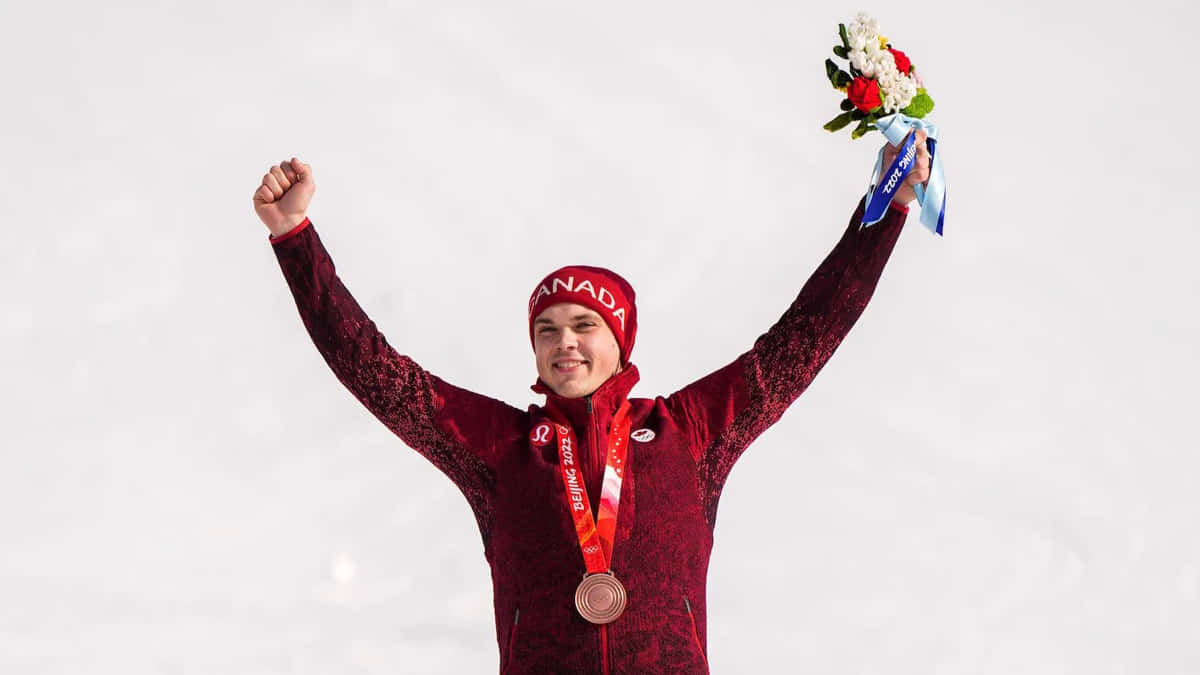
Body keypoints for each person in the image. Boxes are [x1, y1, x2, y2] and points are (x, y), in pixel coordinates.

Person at [253, 133, 930, 674]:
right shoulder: (500, 449)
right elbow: (377, 373)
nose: (564, 344)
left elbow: (804, 336)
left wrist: (886, 215)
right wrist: (294, 238)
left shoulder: (687, 431)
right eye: (547, 329)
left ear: (621, 338)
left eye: (585, 326)